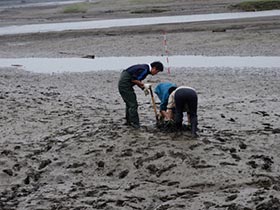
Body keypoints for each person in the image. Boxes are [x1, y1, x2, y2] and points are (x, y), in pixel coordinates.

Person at [118, 61, 164, 128]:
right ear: (154, 68)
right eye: (157, 71)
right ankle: (135, 124)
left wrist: (143, 88)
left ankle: (129, 121)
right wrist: (144, 85)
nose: (156, 74)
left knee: (129, 104)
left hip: (125, 84)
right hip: (125, 85)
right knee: (133, 104)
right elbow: (133, 79)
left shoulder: (144, 68)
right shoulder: (144, 70)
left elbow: (137, 80)